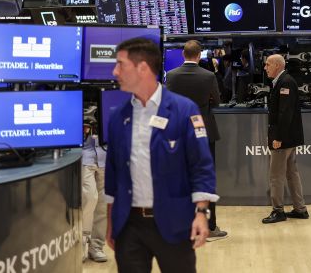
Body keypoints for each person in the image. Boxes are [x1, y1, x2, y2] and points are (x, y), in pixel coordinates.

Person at [105, 37, 218, 272]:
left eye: (120, 64)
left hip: (174, 222)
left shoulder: (184, 110)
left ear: (142, 68)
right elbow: (113, 177)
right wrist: (111, 223)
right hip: (129, 226)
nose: (115, 71)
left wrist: (201, 213)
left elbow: (201, 166)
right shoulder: (118, 117)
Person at [165, 40, 228, 239]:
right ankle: (210, 227)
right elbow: (217, 101)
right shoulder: (209, 76)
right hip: (204, 132)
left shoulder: (172, 76)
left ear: (184, 54)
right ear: (199, 55)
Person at [261, 54, 309, 224]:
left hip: (284, 138)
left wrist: (278, 137)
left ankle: (278, 210)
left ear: (277, 65)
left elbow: (285, 113)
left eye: (268, 64)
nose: (265, 67)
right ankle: (300, 209)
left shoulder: (285, 82)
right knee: (291, 173)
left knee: (276, 175)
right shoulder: (282, 82)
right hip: (289, 137)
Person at [82, 105, 108, 263]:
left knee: (103, 204)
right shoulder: (76, 94)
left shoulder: (111, 94)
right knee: (90, 198)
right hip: (85, 155)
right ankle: (82, 242)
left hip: (105, 156)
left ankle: (96, 246)